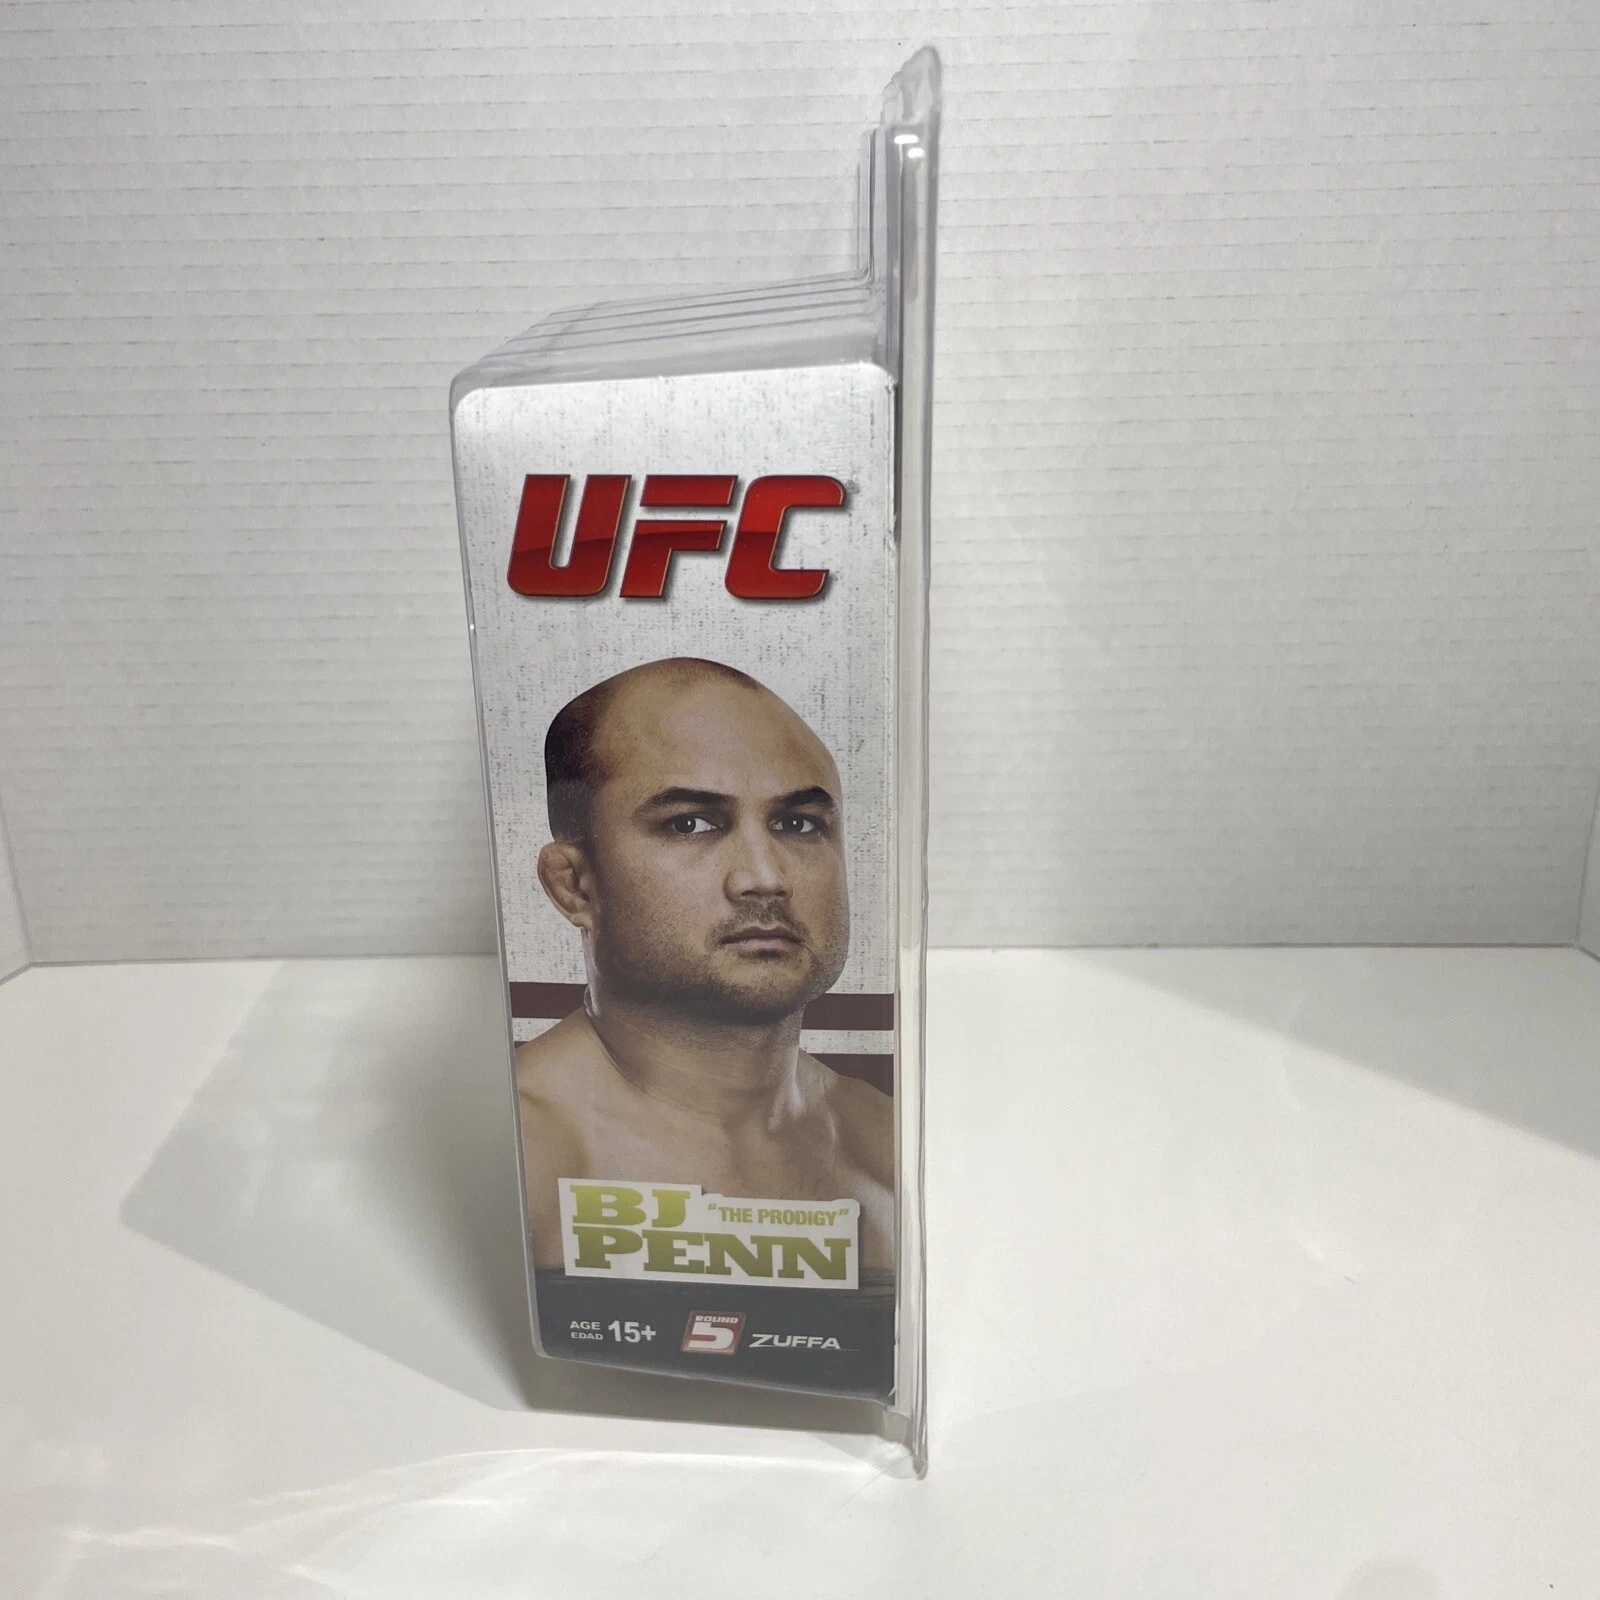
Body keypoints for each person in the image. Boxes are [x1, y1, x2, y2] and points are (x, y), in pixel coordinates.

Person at [516, 656, 893, 1272]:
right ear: (575, 885)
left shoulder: (887, 1145)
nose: (764, 878)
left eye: (797, 823)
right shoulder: (524, 1160)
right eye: (690, 824)